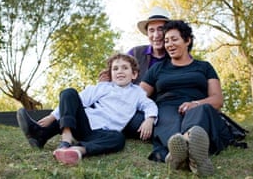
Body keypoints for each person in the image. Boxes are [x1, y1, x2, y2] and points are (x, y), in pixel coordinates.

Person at [17, 53, 158, 165]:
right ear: (110, 74)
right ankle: (66, 138)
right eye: (115, 68)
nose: (120, 71)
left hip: (103, 133)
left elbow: (149, 105)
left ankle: (77, 150)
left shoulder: (137, 92)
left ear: (134, 74)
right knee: (69, 93)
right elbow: (79, 99)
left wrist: (149, 119)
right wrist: (52, 117)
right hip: (84, 125)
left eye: (124, 68)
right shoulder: (103, 87)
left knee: (119, 139)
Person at [140, 20, 235, 176]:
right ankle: (191, 154)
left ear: (187, 40)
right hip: (167, 108)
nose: (169, 44)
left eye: (174, 39)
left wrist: (196, 103)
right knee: (167, 117)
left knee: (202, 110)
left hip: (197, 107)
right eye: (166, 41)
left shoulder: (204, 67)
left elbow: (217, 100)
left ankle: (179, 151)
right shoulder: (158, 68)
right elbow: (138, 96)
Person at [100, 6, 170, 139]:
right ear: (147, 33)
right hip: (128, 106)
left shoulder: (174, 57)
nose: (156, 35)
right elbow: (115, 73)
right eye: (151, 30)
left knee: (154, 123)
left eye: (161, 29)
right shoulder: (136, 53)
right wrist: (106, 80)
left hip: (156, 110)